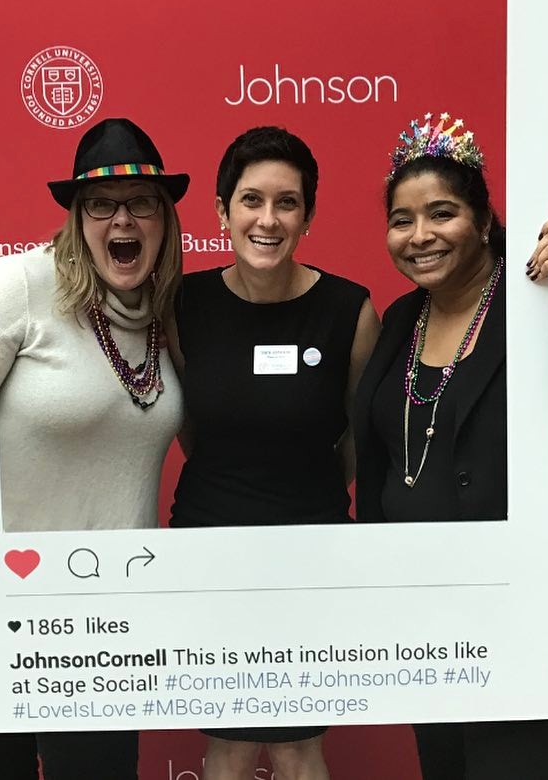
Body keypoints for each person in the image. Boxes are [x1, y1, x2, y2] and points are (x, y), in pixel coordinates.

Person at [354, 114, 548, 780]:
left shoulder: (545, 303)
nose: (420, 236)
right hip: (434, 613)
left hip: (544, 606)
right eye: (401, 220)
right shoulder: (401, 319)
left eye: (442, 213)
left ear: (485, 220)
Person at [0, 118, 188, 780]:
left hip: (79, 600)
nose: (121, 219)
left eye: (141, 203)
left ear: (166, 220)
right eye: (101, 205)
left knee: (98, 767)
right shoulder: (20, 285)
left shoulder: (170, 314)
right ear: (78, 219)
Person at [169, 126, 380, 780]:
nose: (268, 219)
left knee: (296, 745)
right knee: (228, 746)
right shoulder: (183, 304)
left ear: (309, 216)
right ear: (222, 210)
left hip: (312, 548)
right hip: (209, 545)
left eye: (287, 203)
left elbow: (356, 439)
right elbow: (190, 429)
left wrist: (306, 496)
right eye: (251, 200)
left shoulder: (350, 310)